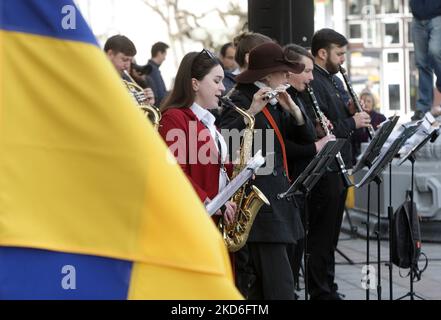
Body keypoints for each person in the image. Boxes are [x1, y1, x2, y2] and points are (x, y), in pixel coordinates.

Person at [218, 42, 316, 299]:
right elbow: (225, 142)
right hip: (261, 212)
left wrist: (293, 110)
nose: (287, 76)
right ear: (266, 74)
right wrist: (250, 112)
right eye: (283, 71)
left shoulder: (277, 97)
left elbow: (306, 138)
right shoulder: (239, 98)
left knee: (279, 286)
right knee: (279, 289)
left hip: (280, 204)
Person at [304, 28, 371, 300]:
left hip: (339, 165)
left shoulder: (333, 80)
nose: (342, 59)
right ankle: (320, 291)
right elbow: (322, 129)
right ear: (323, 53)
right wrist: (351, 122)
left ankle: (329, 287)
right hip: (325, 168)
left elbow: (335, 116)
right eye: (339, 53)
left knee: (332, 236)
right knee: (321, 237)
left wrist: (350, 112)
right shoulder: (314, 82)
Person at [158, 49, 237, 226]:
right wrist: (210, 204)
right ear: (195, 84)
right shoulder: (174, 118)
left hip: (212, 218)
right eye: (217, 81)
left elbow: (214, 167)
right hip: (193, 221)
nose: (223, 88)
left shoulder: (208, 122)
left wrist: (241, 169)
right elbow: (174, 173)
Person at [283, 44, 336, 291]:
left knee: (303, 242)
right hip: (290, 181)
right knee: (294, 249)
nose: (311, 77)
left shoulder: (301, 95)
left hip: (302, 181)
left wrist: (316, 130)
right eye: (306, 71)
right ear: (289, 71)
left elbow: (301, 135)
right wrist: (317, 146)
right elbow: (281, 146)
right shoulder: (285, 98)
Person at [409, 0, 441, 121]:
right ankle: (423, 107)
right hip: (417, 18)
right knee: (422, 63)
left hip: (437, 16)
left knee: (435, 51)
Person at [104, 35, 155, 105]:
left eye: (130, 61)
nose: (128, 65)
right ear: (110, 54)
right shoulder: (96, 80)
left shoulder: (126, 79)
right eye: (124, 59)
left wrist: (147, 104)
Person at [351, 90, 386, 162]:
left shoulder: (381, 118)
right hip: (358, 156)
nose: (366, 103)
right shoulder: (355, 118)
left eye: (368, 101)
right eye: (363, 101)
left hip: (377, 156)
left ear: (373, 103)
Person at [148, 41, 169, 106]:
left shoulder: (151, 68)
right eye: (164, 55)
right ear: (159, 53)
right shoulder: (153, 69)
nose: (165, 59)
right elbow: (161, 95)